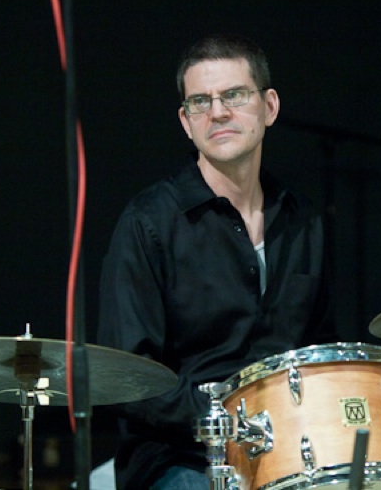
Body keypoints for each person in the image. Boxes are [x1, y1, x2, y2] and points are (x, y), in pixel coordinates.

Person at [97, 33, 336, 490]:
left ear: (269, 107)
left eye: (234, 95)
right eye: (200, 102)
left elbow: (319, 348)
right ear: (186, 122)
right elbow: (128, 375)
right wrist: (233, 418)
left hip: (291, 452)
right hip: (182, 455)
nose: (218, 112)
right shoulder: (148, 222)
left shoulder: (303, 220)